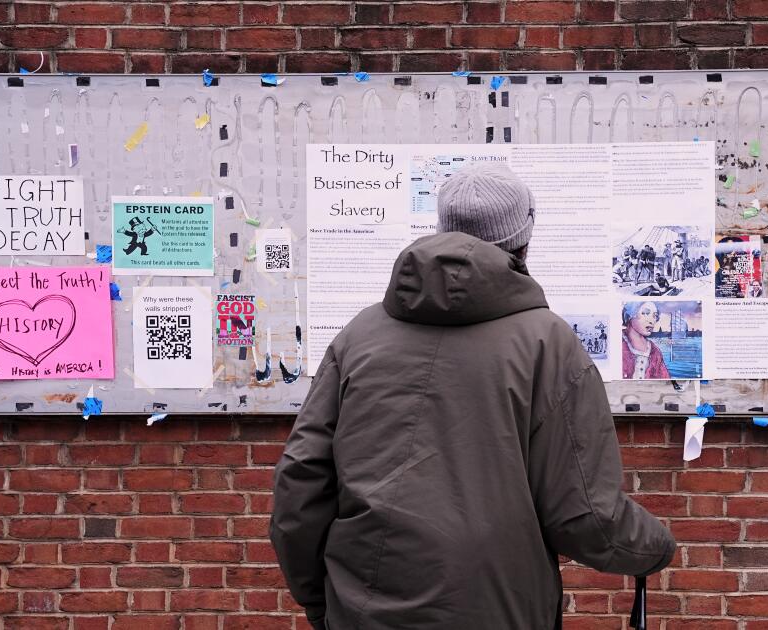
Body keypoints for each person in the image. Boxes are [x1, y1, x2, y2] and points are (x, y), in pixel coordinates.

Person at [271, 164, 675, 630]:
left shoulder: (359, 336)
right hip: (498, 610)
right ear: (524, 238)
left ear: (441, 227)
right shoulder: (547, 343)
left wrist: (321, 603)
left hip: (363, 612)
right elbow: (585, 516)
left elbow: (300, 482)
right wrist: (655, 547)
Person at [621, 301, 671, 379]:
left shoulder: (655, 351)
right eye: (645, 313)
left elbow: (664, 379)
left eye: (655, 316)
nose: (652, 321)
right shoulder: (617, 343)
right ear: (630, 315)